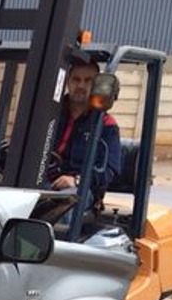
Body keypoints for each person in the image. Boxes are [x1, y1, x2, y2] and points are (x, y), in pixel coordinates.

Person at [47, 59, 121, 198]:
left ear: (96, 85)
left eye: (88, 81)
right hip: (46, 183)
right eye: (76, 79)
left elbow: (109, 171)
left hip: (80, 190)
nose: (81, 85)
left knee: (66, 200)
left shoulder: (105, 125)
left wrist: (77, 180)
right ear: (67, 82)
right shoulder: (50, 115)